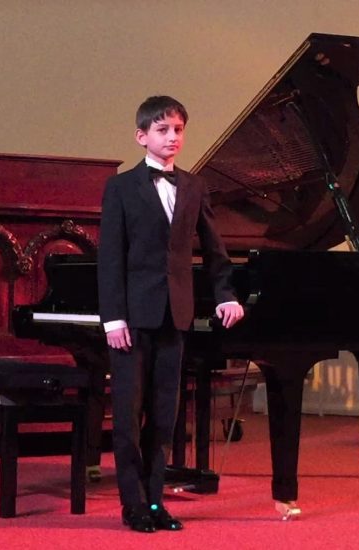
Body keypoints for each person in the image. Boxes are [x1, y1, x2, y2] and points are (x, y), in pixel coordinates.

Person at [97, 95, 244, 533]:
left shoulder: (195, 187)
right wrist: (113, 318)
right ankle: (132, 504)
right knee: (128, 414)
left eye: (178, 129)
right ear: (142, 136)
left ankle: (156, 502)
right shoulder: (121, 187)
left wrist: (225, 294)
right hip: (131, 318)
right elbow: (110, 258)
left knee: (164, 415)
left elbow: (215, 252)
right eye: (163, 130)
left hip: (174, 316)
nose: (172, 137)